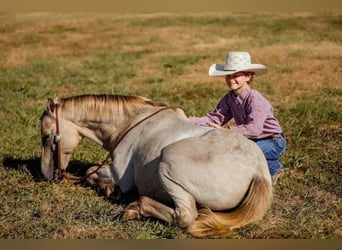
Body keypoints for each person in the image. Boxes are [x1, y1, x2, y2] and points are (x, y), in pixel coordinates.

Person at [189, 51, 286, 184]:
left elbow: (254, 129)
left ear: (248, 76)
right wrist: (188, 120)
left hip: (273, 141)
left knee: (241, 154)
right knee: (233, 151)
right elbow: (215, 118)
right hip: (252, 140)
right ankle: (266, 166)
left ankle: (274, 169)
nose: (230, 79)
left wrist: (227, 131)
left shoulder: (255, 99)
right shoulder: (229, 98)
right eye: (228, 75)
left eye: (236, 75)